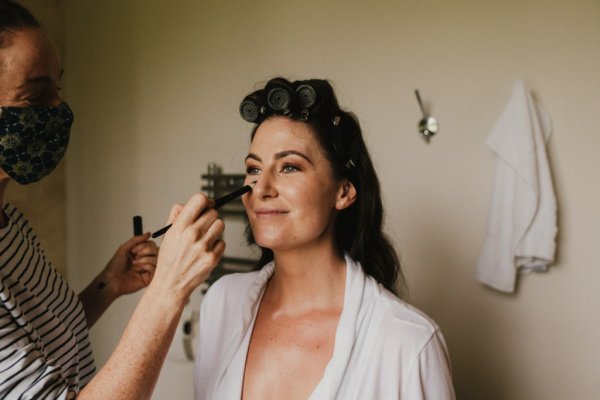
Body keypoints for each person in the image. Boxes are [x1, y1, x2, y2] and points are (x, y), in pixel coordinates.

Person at [0, 1, 224, 398]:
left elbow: (43, 349)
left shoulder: (10, 223)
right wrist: (168, 290)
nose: (59, 111)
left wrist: (107, 285)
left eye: (59, 90)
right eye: (35, 98)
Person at [194, 77, 456, 399]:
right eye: (254, 169)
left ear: (343, 191)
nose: (261, 190)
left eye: (289, 167)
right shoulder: (221, 304)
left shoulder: (408, 342)